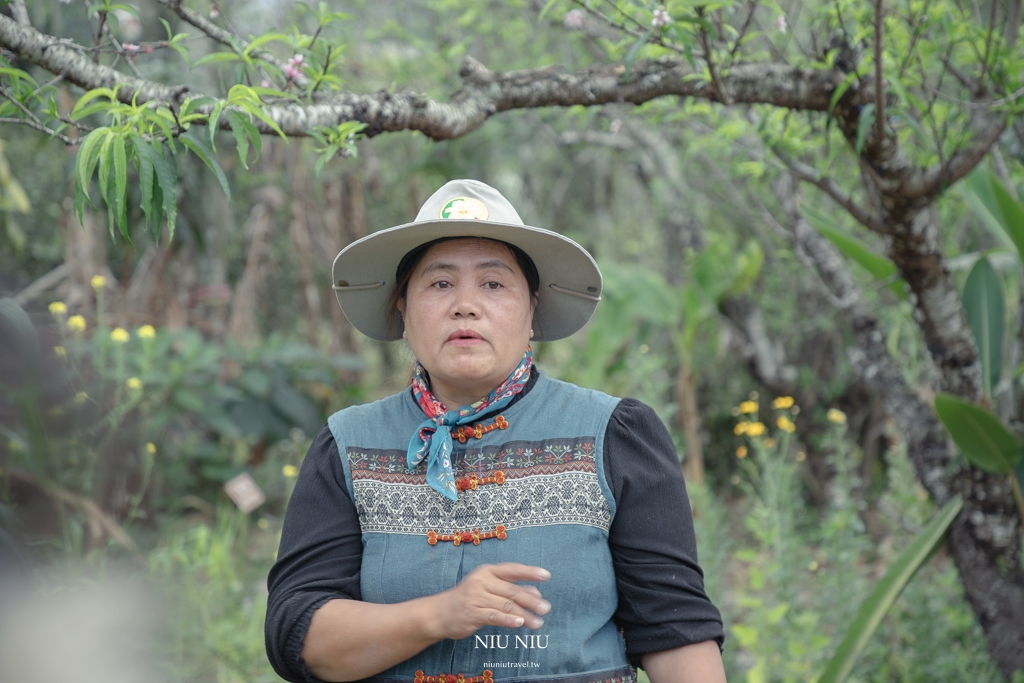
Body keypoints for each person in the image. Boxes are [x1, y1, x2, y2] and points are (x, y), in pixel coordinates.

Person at [265, 179, 725, 683]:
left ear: (532, 310)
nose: (466, 305)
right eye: (440, 284)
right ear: (402, 310)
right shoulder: (347, 445)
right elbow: (298, 636)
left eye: (493, 284)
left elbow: (676, 636)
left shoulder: (615, 435)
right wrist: (438, 615)